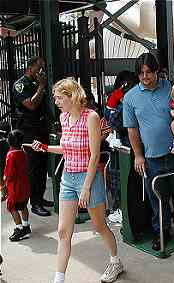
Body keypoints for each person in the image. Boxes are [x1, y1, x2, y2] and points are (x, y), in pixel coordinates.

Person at [31, 78, 123, 283]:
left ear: (71, 95)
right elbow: (68, 148)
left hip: (87, 178)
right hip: (68, 178)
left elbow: (94, 155)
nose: (56, 101)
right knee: (63, 231)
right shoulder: (64, 118)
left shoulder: (91, 117)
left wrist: (86, 188)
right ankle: (59, 279)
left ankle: (115, 261)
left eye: (58, 97)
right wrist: (45, 147)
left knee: (99, 226)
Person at [123, 52, 174, 251]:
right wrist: (138, 155)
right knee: (156, 198)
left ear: (157, 71)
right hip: (151, 158)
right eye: (141, 73)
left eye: (149, 72)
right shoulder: (130, 97)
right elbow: (132, 129)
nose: (145, 76)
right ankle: (162, 232)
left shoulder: (171, 89)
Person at [13, 56, 52, 217]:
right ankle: (34, 202)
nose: (42, 71)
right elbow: (31, 104)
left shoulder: (37, 84)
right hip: (29, 131)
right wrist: (42, 86)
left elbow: (44, 106)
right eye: (39, 67)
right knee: (34, 167)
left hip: (41, 128)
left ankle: (40, 197)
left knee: (42, 165)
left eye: (43, 68)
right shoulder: (21, 85)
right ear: (30, 68)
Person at [4, 129, 31, 242]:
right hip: (24, 186)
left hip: (15, 188)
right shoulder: (23, 152)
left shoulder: (11, 154)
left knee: (12, 207)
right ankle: (26, 226)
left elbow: (10, 174)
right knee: (23, 205)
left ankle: (19, 228)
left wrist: (4, 182)